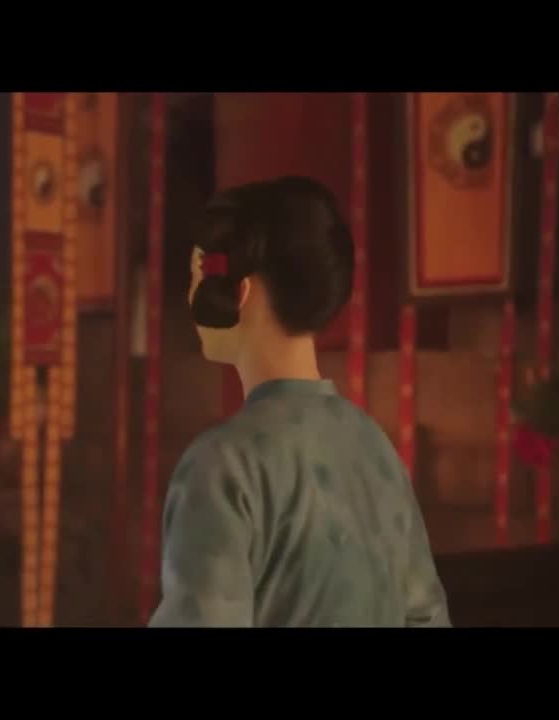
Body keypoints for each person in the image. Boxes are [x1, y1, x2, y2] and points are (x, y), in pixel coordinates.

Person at [148, 176, 450, 628]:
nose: (191, 297)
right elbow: (427, 617)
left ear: (241, 291)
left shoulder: (222, 466)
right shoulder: (374, 448)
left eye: (197, 277)